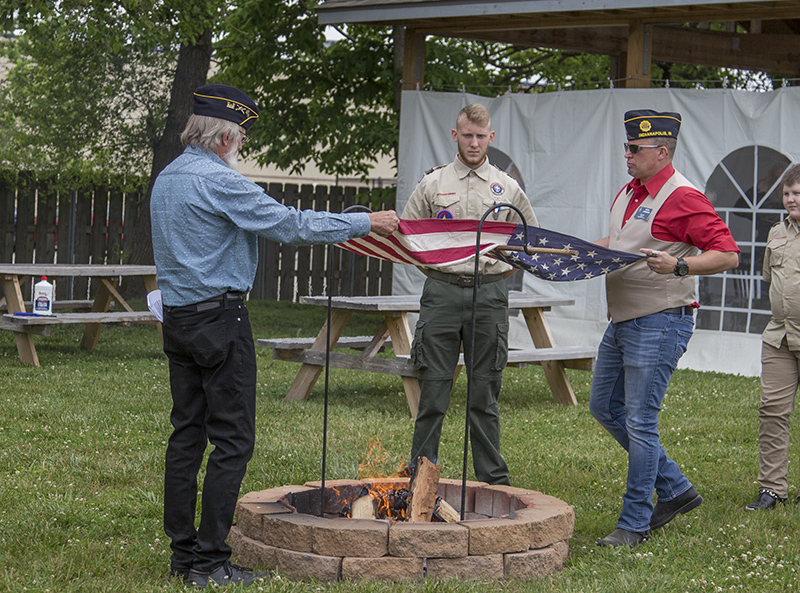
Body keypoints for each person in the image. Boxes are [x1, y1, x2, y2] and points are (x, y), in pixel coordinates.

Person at [150, 84, 398, 588]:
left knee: (186, 438)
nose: (241, 142)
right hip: (220, 321)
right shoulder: (218, 180)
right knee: (233, 442)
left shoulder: (169, 176)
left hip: (178, 320)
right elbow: (290, 224)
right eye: (239, 134)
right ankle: (210, 562)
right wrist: (364, 222)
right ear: (222, 138)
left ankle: (183, 556)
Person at [590, 109, 739, 547]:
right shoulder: (632, 190)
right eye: (626, 146)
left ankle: (634, 523)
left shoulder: (684, 196)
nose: (627, 154)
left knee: (640, 422)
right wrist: (569, 249)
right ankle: (675, 489)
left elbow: (727, 254)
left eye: (634, 149)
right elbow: (619, 243)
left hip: (659, 322)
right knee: (604, 407)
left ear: (661, 150)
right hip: (624, 320)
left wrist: (681, 266)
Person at [402, 103, 538, 486]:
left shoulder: (507, 188)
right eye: (467, 135)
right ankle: (420, 476)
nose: (474, 143)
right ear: (455, 136)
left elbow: (526, 242)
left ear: (491, 137)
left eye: (481, 136)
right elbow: (411, 239)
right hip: (442, 293)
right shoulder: (432, 183)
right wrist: (440, 271)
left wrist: (495, 276)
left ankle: (492, 481)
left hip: (489, 296)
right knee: (432, 394)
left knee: (485, 394)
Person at [746, 164, 800, 511]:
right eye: (787, 193)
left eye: (797, 193)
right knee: (773, 411)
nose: (791, 199)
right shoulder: (776, 233)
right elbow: (770, 278)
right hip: (779, 337)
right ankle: (772, 489)